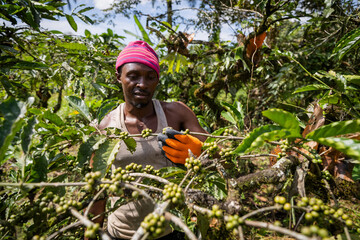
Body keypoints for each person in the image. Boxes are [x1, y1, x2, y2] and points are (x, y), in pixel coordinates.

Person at [87, 40, 207, 240]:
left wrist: (199, 150)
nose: (142, 84)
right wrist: (90, 233)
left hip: (169, 231)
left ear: (157, 80)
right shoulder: (104, 128)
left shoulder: (176, 114)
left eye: (150, 77)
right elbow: (97, 189)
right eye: (133, 76)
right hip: (120, 233)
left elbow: (216, 154)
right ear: (119, 77)